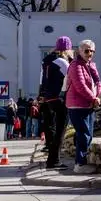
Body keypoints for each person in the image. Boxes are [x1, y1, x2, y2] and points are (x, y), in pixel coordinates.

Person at [65, 39, 101, 174]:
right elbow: (80, 85)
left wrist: (96, 96)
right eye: (86, 50)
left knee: (88, 134)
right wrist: (93, 98)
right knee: (83, 134)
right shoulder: (75, 65)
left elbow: (98, 82)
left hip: (89, 104)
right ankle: (79, 164)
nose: (89, 53)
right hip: (77, 105)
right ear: (79, 51)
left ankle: (81, 162)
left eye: (92, 51)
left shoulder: (91, 65)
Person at [38, 36, 73, 170]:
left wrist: (41, 95)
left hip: (49, 98)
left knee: (54, 128)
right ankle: (54, 160)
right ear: (67, 49)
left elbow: (42, 80)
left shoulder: (47, 61)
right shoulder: (62, 62)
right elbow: (72, 77)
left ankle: (52, 160)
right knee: (60, 130)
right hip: (60, 98)